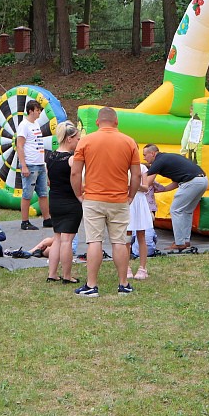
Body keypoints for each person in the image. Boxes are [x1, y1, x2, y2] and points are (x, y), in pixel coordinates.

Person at [71, 108, 140, 297]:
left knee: (94, 241)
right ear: (116, 121)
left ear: (97, 122)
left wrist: (79, 194)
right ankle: (123, 284)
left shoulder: (86, 141)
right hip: (119, 199)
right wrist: (131, 196)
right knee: (119, 241)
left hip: (93, 199)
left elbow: (75, 173)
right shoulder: (129, 142)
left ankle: (91, 285)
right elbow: (136, 175)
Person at [142, 144, 208, 252]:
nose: (144, 158)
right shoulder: (167, 158)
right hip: (203, 180)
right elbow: (177, 181)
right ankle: (185, 241)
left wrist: (133, 187)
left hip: (191, 182)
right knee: (187, 211)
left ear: (152, 153)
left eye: (145, 155)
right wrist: (163, 189)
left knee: (175, 210)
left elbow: (147, 183)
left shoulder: (158, 161)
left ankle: (179, 243)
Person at [45, 121, 81, 285]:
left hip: (54, 200)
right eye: (77, 139)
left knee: (57, 238)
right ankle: (67, 275)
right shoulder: (71, 159)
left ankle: (52, 273)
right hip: (70, 201)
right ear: (69, 138)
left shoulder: (50, 157)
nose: (79, 142)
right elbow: (77, 179)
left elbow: (48, 181)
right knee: (67, 240)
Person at [15, 100, 51, 230]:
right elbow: (19, 145)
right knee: (27, 194)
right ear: (30, 111)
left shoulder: (35, 124)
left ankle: (47, 219)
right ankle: (24, 221)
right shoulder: (24, 125)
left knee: (43, 193)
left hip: (40, 163)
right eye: (37, 110)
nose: (39, 112)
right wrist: (23, 165)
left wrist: (44, 164)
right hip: (30, 164)